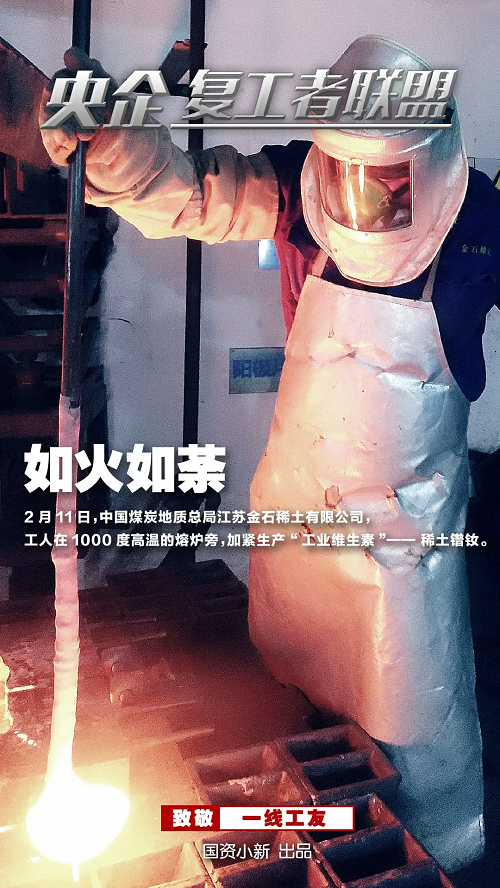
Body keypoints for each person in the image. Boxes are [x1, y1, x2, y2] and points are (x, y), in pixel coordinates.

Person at [41, 35, 499, 871]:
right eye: (353, 175)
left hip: (409, 516)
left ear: (431, 156)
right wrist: (104, 141)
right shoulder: (298, 186)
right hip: (303, 488)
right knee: (289, 680)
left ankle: (427, 844)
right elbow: (184, 194)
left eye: (391, 182)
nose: (370, 202)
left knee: (410, 707)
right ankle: (289, 829)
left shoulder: (480, 218)